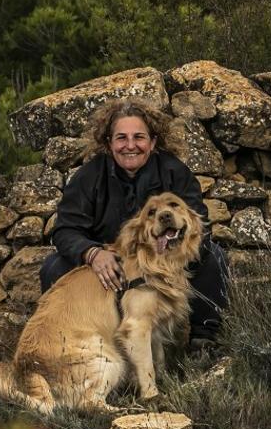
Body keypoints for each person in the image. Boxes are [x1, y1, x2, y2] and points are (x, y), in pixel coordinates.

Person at [39, 98, 230, 346]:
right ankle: (64, 340)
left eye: (139, 137)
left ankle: (204, 339)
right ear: (109, 143)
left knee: (214, 256)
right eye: (121, 138)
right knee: (53, 267)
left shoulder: (174, 172)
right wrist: (92, 253)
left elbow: (196, 223)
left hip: (163, 259)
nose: (130, 145)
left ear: (152, 142)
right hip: (110, 265)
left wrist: (160, 257)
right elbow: (65, 230)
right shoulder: (88, 177)